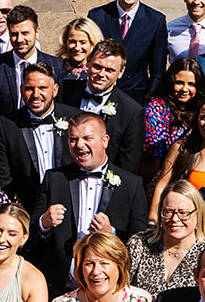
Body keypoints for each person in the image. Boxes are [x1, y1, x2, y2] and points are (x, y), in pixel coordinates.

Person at [33, 113, 149, 284]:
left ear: (105, 141)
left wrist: (112, 234)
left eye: (87, 138)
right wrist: (44, 223)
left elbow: (141, 244)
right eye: (73, 139)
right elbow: (30, 235)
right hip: (60, 285)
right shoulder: (55, 179)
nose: (79, 145)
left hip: (108, 286)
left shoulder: (131, 184)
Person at [0, 62, 77, 213]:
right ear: (21, 90)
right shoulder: (7, 124)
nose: (36, 95)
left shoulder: (74, 119)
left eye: (43, 88)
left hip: (70, 205)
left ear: (55, 90)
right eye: (30, 89)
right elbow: (1, 172)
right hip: (26, 208)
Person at [58, 39, 145, 173]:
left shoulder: (131, 112)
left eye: (110, 70)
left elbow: (128, 165)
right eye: (97, 66)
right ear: (88, 63)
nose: (101, 74)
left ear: (121, 72)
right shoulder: (64, 91)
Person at [88, 0, 168, 103]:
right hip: (99, 93)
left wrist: (149, 101)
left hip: (136, 98)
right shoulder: (97, 16)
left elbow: (158, 72)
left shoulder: (156, 21)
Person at [129, 180, 205, 296]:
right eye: (168, 212)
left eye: (183, 212)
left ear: (198, 215)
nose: (175, 219)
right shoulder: (139, 244)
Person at [152, 96, 205, 219]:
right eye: (203, 118)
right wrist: (153, 219)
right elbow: (162, 185)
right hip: (185, 220)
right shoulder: (182, 148)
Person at [0, 5, 59, 125]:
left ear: (37, 32)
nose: (19, 39)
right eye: (14, 34)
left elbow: (61, 107)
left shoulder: (56, 65)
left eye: (25, 33)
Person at [144, 57, 205, 169]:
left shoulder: (203, 107)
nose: (184, 89)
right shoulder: (157, 107)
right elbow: (152, 156)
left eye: (191, 84)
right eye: (179, 83)